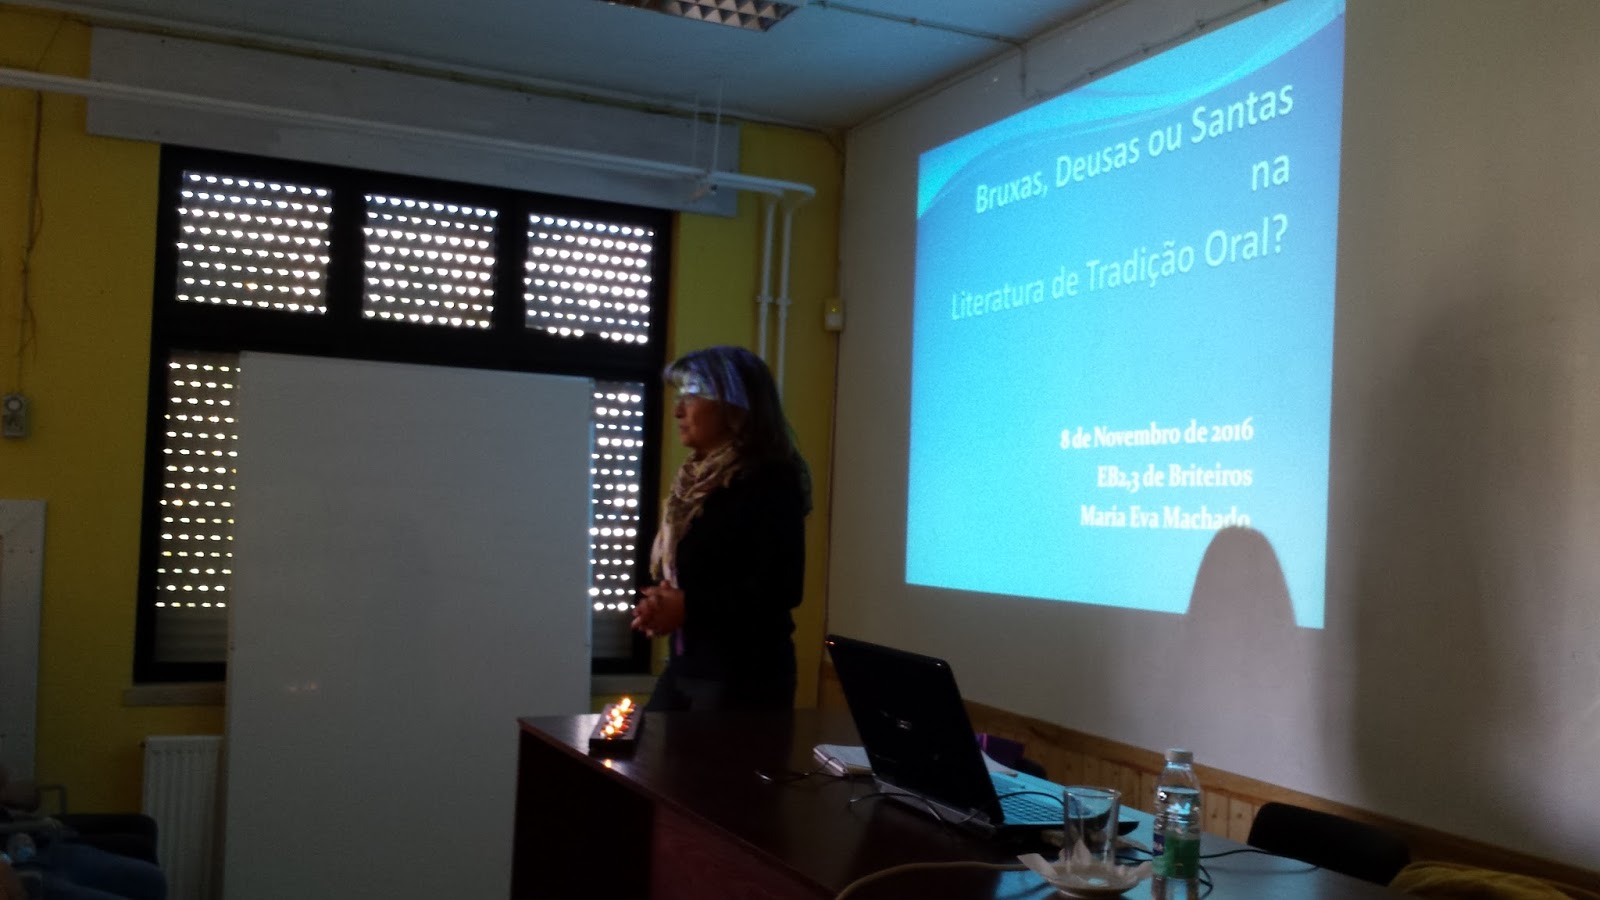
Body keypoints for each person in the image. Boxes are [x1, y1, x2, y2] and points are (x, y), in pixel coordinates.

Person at [632, 345, 811, 712]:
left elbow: (780, 588)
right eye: (679, 397)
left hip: (743, 677)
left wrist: (687, 607)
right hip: (689, 666)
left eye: (692, 396)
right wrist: (662, 603)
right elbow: (703, 574)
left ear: (734, 407)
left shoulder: (770, 478)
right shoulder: (697, 483)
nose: (678, 411)